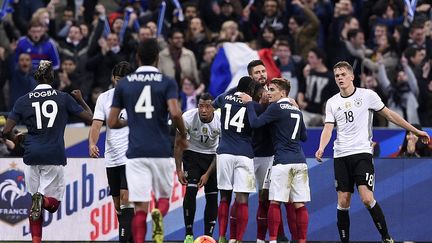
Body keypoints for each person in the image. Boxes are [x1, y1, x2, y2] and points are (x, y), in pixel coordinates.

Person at [315, 61, 430, 243]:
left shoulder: (367, 95)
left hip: (362, 153)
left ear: (352, 76)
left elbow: (390, 115)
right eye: (337, 76)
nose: (340, 78)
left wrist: (415, 131)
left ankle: (386, 237)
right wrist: (322, 147)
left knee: (367, 198)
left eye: (343, 74)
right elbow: (328, 128)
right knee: (343, 201)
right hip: (341, 155)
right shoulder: (332, 102)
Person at [1, 60, 93, 243]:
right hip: (53, 154)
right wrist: (81, 99)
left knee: (34, 206)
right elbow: (92, 118)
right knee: (52, 204)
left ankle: (36, 239)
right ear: (52, 77)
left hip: (31, 155)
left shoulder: (23, 100)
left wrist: (17, 140)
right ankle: (41, 201)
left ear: (36, 78)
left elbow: (5, 132)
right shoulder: (63, 97)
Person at [107, 38, 187, 243]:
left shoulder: (124, 84)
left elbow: (112, 121)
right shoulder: (167, 82)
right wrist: (183, 135)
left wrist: (129, 122)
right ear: (158, 58)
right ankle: (159, 214)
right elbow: (176, 113)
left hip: (135, 153)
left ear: (137, 57)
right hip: (160, 150)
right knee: (162, 198)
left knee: (139, 206)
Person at [240, 78, 310, 243]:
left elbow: (256, 123)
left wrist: (250, 104)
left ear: (283, 92)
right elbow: (304, 137)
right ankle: (302, 240)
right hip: (300, 162)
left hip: (282, 162)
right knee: (299, 204)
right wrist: (297, 109)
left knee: (275, 202)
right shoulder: (296, 110)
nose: (268, 93)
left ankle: (272, 240)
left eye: (272, 90)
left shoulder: (276, 108)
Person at [88, 61, 134, 243]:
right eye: (117, 80)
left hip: (131, 156)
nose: (120, 84)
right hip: (112, 158)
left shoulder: (138, 98)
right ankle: (129, 237)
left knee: (125, 198)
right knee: (118, 204)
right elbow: (97, 124)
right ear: (113, 79)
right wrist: (92, 143)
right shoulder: (104, 98)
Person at [246, 60, 290, 243]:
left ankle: (277, 237)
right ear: (250, 76)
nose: (262, 75)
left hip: (269, 154)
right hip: (249, 153)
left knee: (270, 197)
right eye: (257, 72)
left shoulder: (272, 95)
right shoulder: (244, 97)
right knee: (248, 198)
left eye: (263, 71)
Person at [213, 76, 257, 243]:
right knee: (242, 198)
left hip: (225, 152)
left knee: (224, 196)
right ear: (251, 90)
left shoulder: (224, 97)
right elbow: (256, 123)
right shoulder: (252, 104)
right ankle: (238, 239)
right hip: (245, 153)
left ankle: (222, 237)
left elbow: (213, 105)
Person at [175, 93, 220, 243]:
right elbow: (178, 143)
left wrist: (207, 174)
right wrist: (179, 169)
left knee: (212, 196)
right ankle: (188, 234)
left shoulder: (220, 121)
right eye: (201, 106)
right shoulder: (187, 117)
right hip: (192, 154)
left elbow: (220, 152)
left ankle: (208, 237)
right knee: (191, 189)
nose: (204, 110)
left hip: (212, 157)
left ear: (213, 108)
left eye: (208, 106)